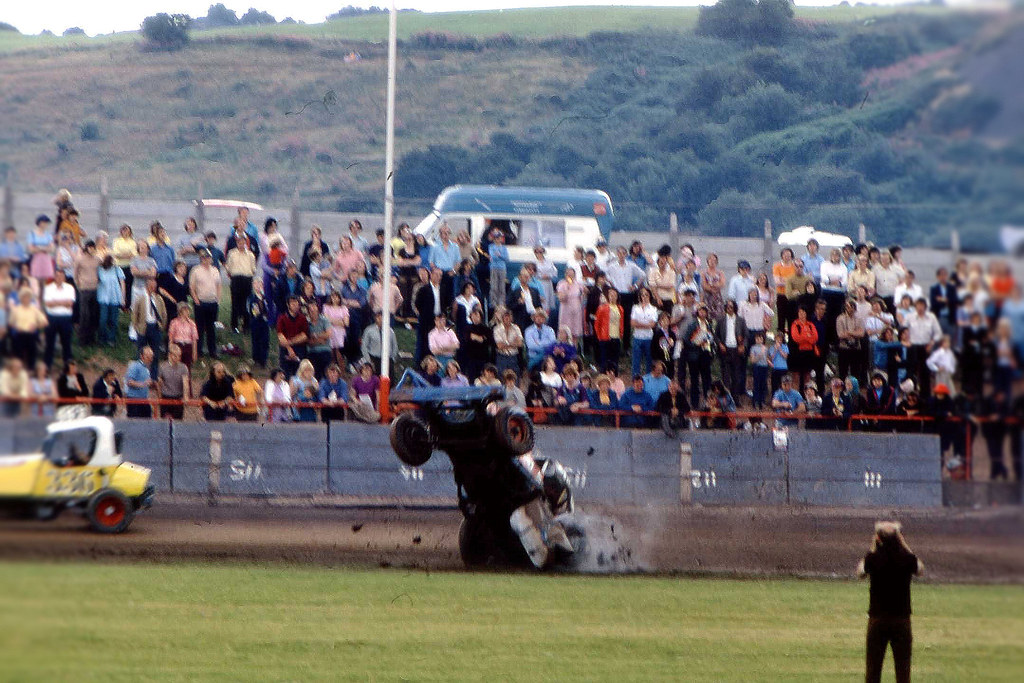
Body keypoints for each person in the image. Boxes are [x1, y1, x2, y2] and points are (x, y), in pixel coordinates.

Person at [858, 521, 922, 683]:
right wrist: (905, 545)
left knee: (873, 669)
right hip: (901, 620)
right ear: (898, 538)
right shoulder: (906, 559)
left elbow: (860, 572)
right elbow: (920, 569)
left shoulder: (873, 559)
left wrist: (872, 546)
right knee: (903, 670)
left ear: (878, 538)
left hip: (877, 619)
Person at [131, 278, 167, 379]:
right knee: (140, 352)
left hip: (155, 327)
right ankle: (139, 376)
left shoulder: (158, 299)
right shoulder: (140, 298)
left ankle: (153, 378)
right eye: (151, 286)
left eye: (154, 287)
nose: (153, 288)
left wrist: (162, 325)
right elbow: (134, 314)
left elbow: (164, 313)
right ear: (147, 286)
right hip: (143, 327)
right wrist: (136, 327)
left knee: (155, 354)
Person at [189, 249, 222, 358]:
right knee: (199, 328)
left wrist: (218, 299)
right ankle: (199, 350)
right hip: (201, 303)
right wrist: (196, 300)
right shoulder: (195, 270)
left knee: (211, 328)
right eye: (204, 258)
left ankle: (212, 350)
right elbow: (192, 287)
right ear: (201, 259)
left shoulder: (215, 270)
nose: (206, 260)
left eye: (208, 258)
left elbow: (219, 285)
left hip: (213, 302)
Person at [683, 304, 715, 409]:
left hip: (705, 354)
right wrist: (695, 344)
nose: (702, 313)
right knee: (694, 380)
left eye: (704, 311)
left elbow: (712, 339)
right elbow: (686, 339)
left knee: (707, 380)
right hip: (694, 356)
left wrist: (711, 351)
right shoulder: (693, 325)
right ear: (697, 312)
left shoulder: (709, 325)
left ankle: (708, 402)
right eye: (700, 311)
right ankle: (694, 403)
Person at [42, 268, 75, 368]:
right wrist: (63, 302)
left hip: (66, 319)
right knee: (49, 343)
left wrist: (55, 302)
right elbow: (48, 304)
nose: (59, 278)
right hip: (51, 318)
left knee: (66, 343)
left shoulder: (70, 288)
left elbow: (69, 304)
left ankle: (68, 367)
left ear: (64, 277)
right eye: (57, 275)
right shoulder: (48, 288)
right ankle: (47, 366)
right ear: (54, 277)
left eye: (61, 276)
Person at [716, 300, 748, 400]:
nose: (729, 308)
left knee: (736, 376)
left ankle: (736, 399)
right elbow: (716, 335)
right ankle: (726, 399)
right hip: (725, 350)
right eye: (728, 306)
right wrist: (720, 344)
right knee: (725, 376)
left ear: (734, 307)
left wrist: (743, 346)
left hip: (736, 350)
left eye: (731, 306)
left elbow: (746, 335)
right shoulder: (721, 320)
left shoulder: (740, 320)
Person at [225, 237, 256, 333]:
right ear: (237, 243)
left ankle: (246, 326)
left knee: (246, 304)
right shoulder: (232, 253)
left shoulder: (250, 254)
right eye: (239, 242)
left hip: (247, 279)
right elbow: (228, 267)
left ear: (246, 243)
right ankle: (234, 326)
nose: (241, 244)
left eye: (243, 242)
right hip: (236, 279)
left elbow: (253, 269)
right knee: (235, 303)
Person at [276, 296, 309, 378]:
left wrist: (291, 342)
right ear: (288, 305)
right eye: (292, 303)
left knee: (299, 373)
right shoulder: (282, 318)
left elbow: (304, 335)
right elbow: (280, 335)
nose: (295, 305)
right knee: (284, 373)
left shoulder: (303, 318)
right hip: (285, 349)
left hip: (299, 348)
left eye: (296, 303)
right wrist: (289, 348)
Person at [631, 287, 659, 377]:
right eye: (642, 295)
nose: (644, 297)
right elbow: (632, 323)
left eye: (646, 295)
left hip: (648, 338)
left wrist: (639, 324)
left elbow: (652, 324)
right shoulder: (635, 308)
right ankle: (635, 379)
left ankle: (648, 379)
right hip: (637, 337)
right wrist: (646, 324)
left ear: (650, 296)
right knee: (636, 361)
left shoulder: (654, 309)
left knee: (649, 361)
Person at [157, 343, 190, 420]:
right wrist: (159, 397)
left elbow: (185, 383)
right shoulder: (162, 367)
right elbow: (159, 383)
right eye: (175, 355)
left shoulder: (183, 367)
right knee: (165, 422)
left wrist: (185, 396)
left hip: (178, 398)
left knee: (178, 421)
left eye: (179, 356)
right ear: (170, 355)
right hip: (166, 397)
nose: (178, 358)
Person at [125, 347, 155, 418]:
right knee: (134, 421)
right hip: (134, 400)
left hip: (144, 399)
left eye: (151, 357)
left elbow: (146, 383)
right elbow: (129, 382)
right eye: (148, 356)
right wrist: (143, 384)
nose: (150, 359)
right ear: (141, 356)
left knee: (147, 419)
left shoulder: (147, 368)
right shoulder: (135, 366)